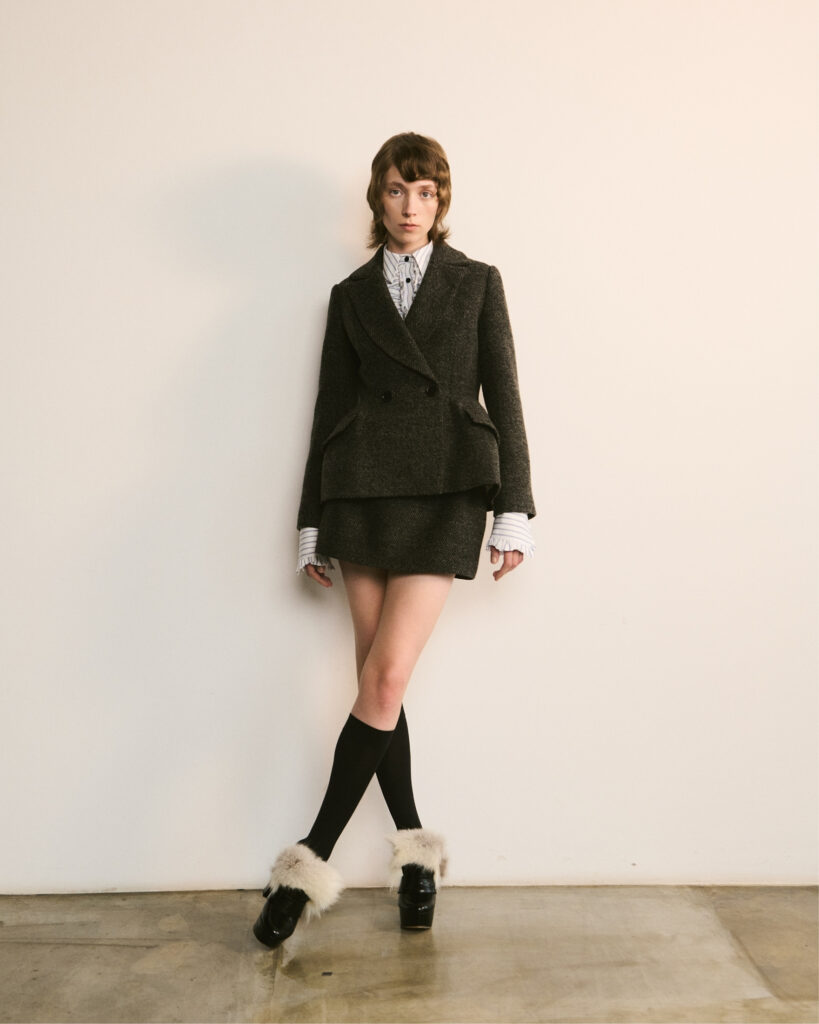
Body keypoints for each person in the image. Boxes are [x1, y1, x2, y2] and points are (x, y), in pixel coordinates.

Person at [253, 132, 536, 949]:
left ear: (441, 201)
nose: (411, 207)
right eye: (395, 191)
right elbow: (328, 411)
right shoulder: (350, 295)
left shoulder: (476, 282)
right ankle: (416, 857)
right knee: (380, 686)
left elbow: (505, 398)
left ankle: (305, 864)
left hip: (446, 487)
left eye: (425, 192)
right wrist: (310, 520)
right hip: (362, 490)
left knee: (383, 678)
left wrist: (514, 508)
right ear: (376, 198)